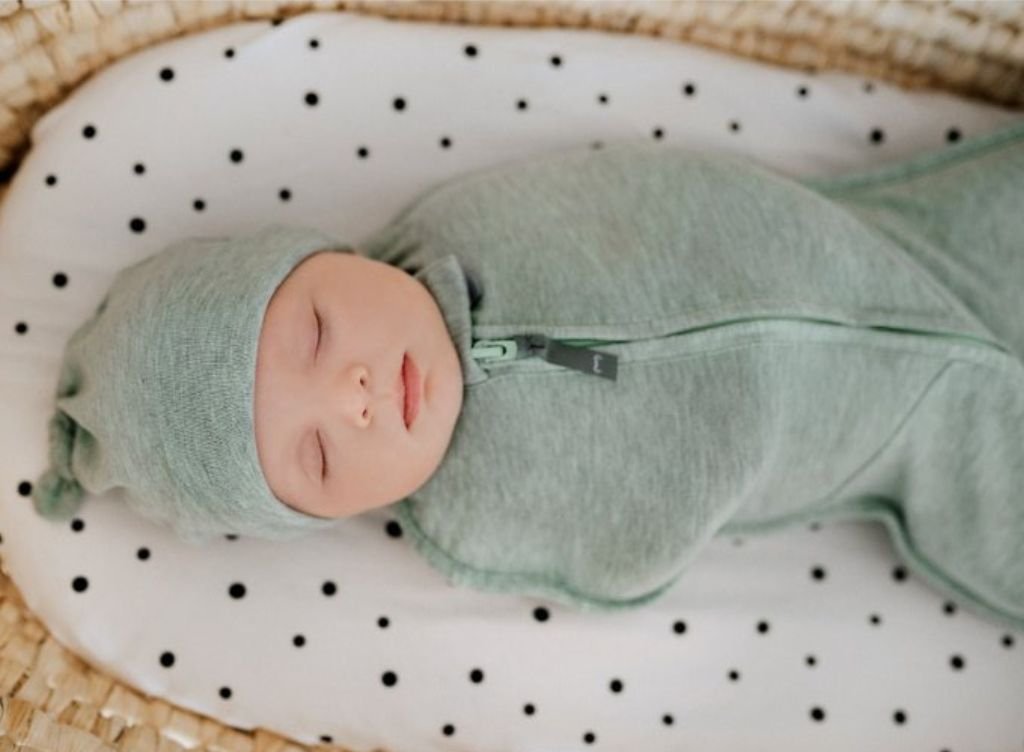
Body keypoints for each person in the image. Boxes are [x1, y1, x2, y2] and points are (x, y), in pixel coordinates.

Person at [32, 120, 1024, 631]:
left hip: (894, 245)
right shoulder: (473, 520)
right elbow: (624, 555)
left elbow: (651, 195)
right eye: (321, 457)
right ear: (327, 517)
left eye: (318, 332)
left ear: (321, 251)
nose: (355, 394)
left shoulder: (465, 222)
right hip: (906, 452)